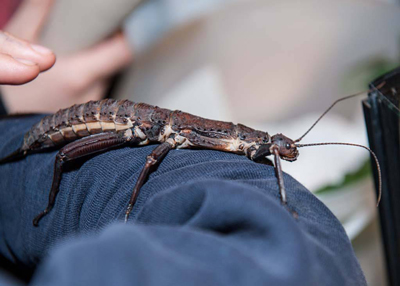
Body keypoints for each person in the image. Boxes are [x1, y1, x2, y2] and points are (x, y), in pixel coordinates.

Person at [0, 2, 367, 286]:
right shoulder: (195, 139)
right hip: (100, 118)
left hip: (40, 115)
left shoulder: (229, 147)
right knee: (62, 153)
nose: (282, 152)